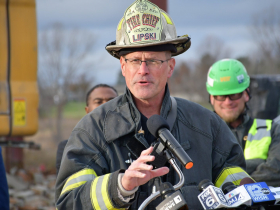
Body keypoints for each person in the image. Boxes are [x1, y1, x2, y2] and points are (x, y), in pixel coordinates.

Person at [55, 1, 251, 209]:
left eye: (153, 60)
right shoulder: (93, 130)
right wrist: (120, 186)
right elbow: (68, 202)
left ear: (170, 67)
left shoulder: (207, 126)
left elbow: (239, 187)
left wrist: (245, 192)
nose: (143, 70)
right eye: (134, 60)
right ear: (123, 66)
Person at [206, 58, 280, 187]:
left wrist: (242, 189)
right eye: (221, 96)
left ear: (246, 94)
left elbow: (276, 169)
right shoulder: (202, 136)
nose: (228, 102)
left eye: (234, 94)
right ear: (211, 98)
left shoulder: (272, 129)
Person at [55, 84, 118, 174]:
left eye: (111, 101)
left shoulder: (133, 143)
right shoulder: (69, 149)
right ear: (87, 111)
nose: (105, 106)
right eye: (98, 102)